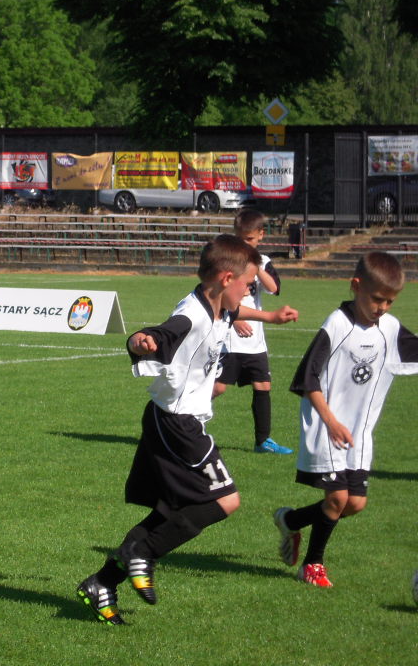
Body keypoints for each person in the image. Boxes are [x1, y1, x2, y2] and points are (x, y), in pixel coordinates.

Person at [76, 235, 299, 625]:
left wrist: (270, 317)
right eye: (248, 284)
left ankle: (102, 582)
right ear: (226, 278)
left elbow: (237, 311)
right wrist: (140, 341)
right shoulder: (192, 315)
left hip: (177, 420)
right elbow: (160, 332)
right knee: (225, 500)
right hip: (176, 423)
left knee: (173, 510)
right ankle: (140, 554)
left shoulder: (220, 305)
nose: (251, 291)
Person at [273, 251, 418, 588]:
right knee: (337, 499)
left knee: (354, 504)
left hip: (359, 434)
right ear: (355, 286)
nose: (382, 307)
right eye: (377, 299)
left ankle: (290, 520)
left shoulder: (390, 328)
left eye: (390, 301)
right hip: (326, 426)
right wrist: (331, 421)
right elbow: (307, 380)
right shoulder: (337, 324)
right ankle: (312, 565)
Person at [212, 209, 293, 455]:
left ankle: (263, 441)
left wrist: (256, 268)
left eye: (249, 239)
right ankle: (185, 419)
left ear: (260, 235)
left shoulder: (263, 262)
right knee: (218, 387)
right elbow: (217, 294)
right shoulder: (228, 261)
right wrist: (235, 319)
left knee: (263, 385)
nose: (244, 244)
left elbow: (274, 288)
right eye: (240, 239)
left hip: (255, 342)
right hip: (229, 340)